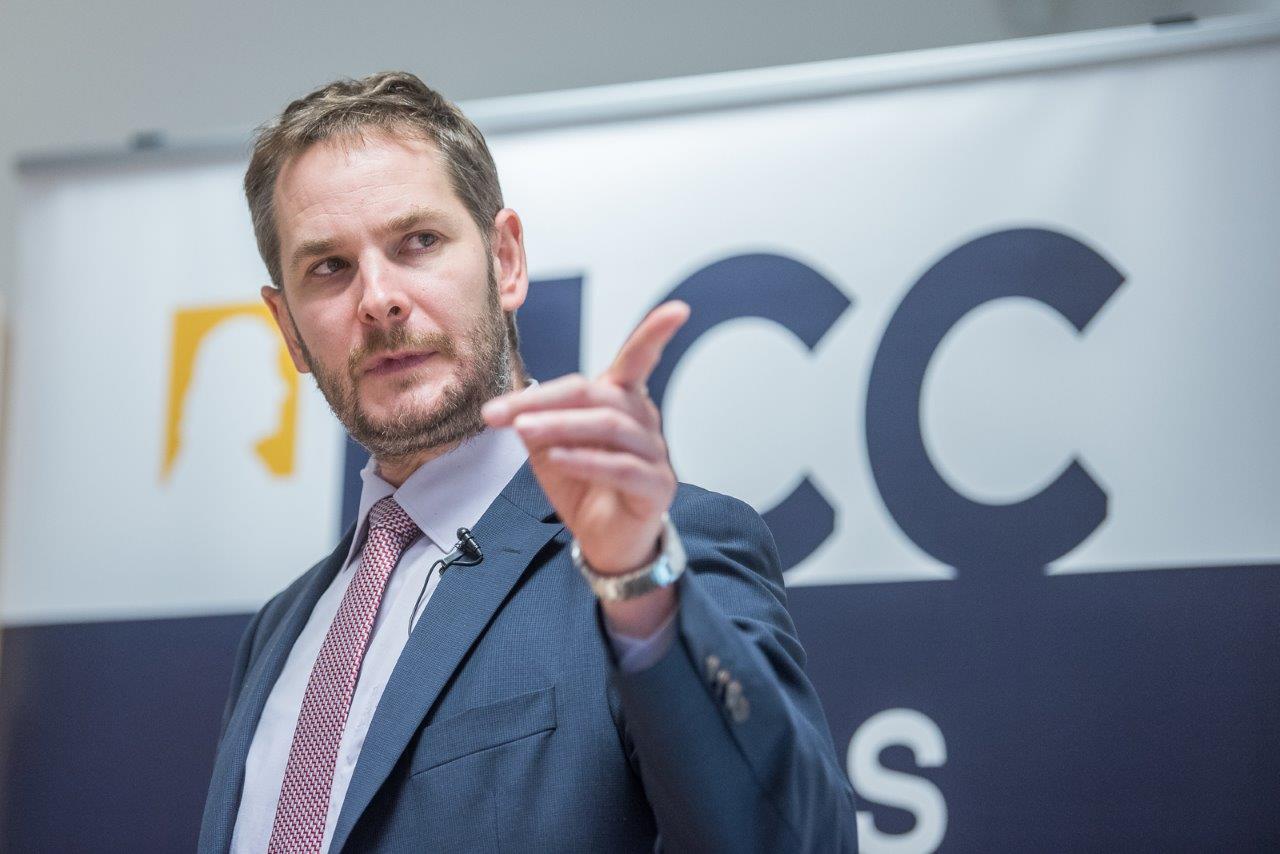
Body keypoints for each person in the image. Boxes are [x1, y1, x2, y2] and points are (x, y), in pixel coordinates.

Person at [198, 71, 858, 853]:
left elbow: (792, 841)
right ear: (289, 329)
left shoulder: (658, 553)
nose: (377, 298)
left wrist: (639, 582)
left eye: (419, 242)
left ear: (505, 260)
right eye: (329, 268)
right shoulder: (282, 629)